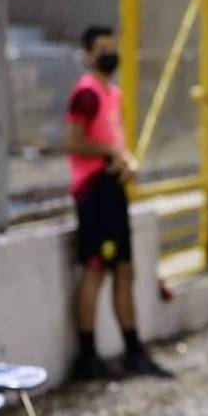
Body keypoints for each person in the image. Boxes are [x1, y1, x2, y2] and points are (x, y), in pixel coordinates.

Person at [64, 25, 172, 380]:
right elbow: (73, 141)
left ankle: (132, 349)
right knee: (95, 269)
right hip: (94, 192)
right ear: (87, 54)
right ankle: (88, 356)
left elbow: (114, 139)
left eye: (113, 47)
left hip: (113, 188)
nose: (110, 54)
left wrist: (126, 160)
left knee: (124, 269)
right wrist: (110, 152)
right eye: (102, 49)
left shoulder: (113, 93)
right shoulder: (86, 94)